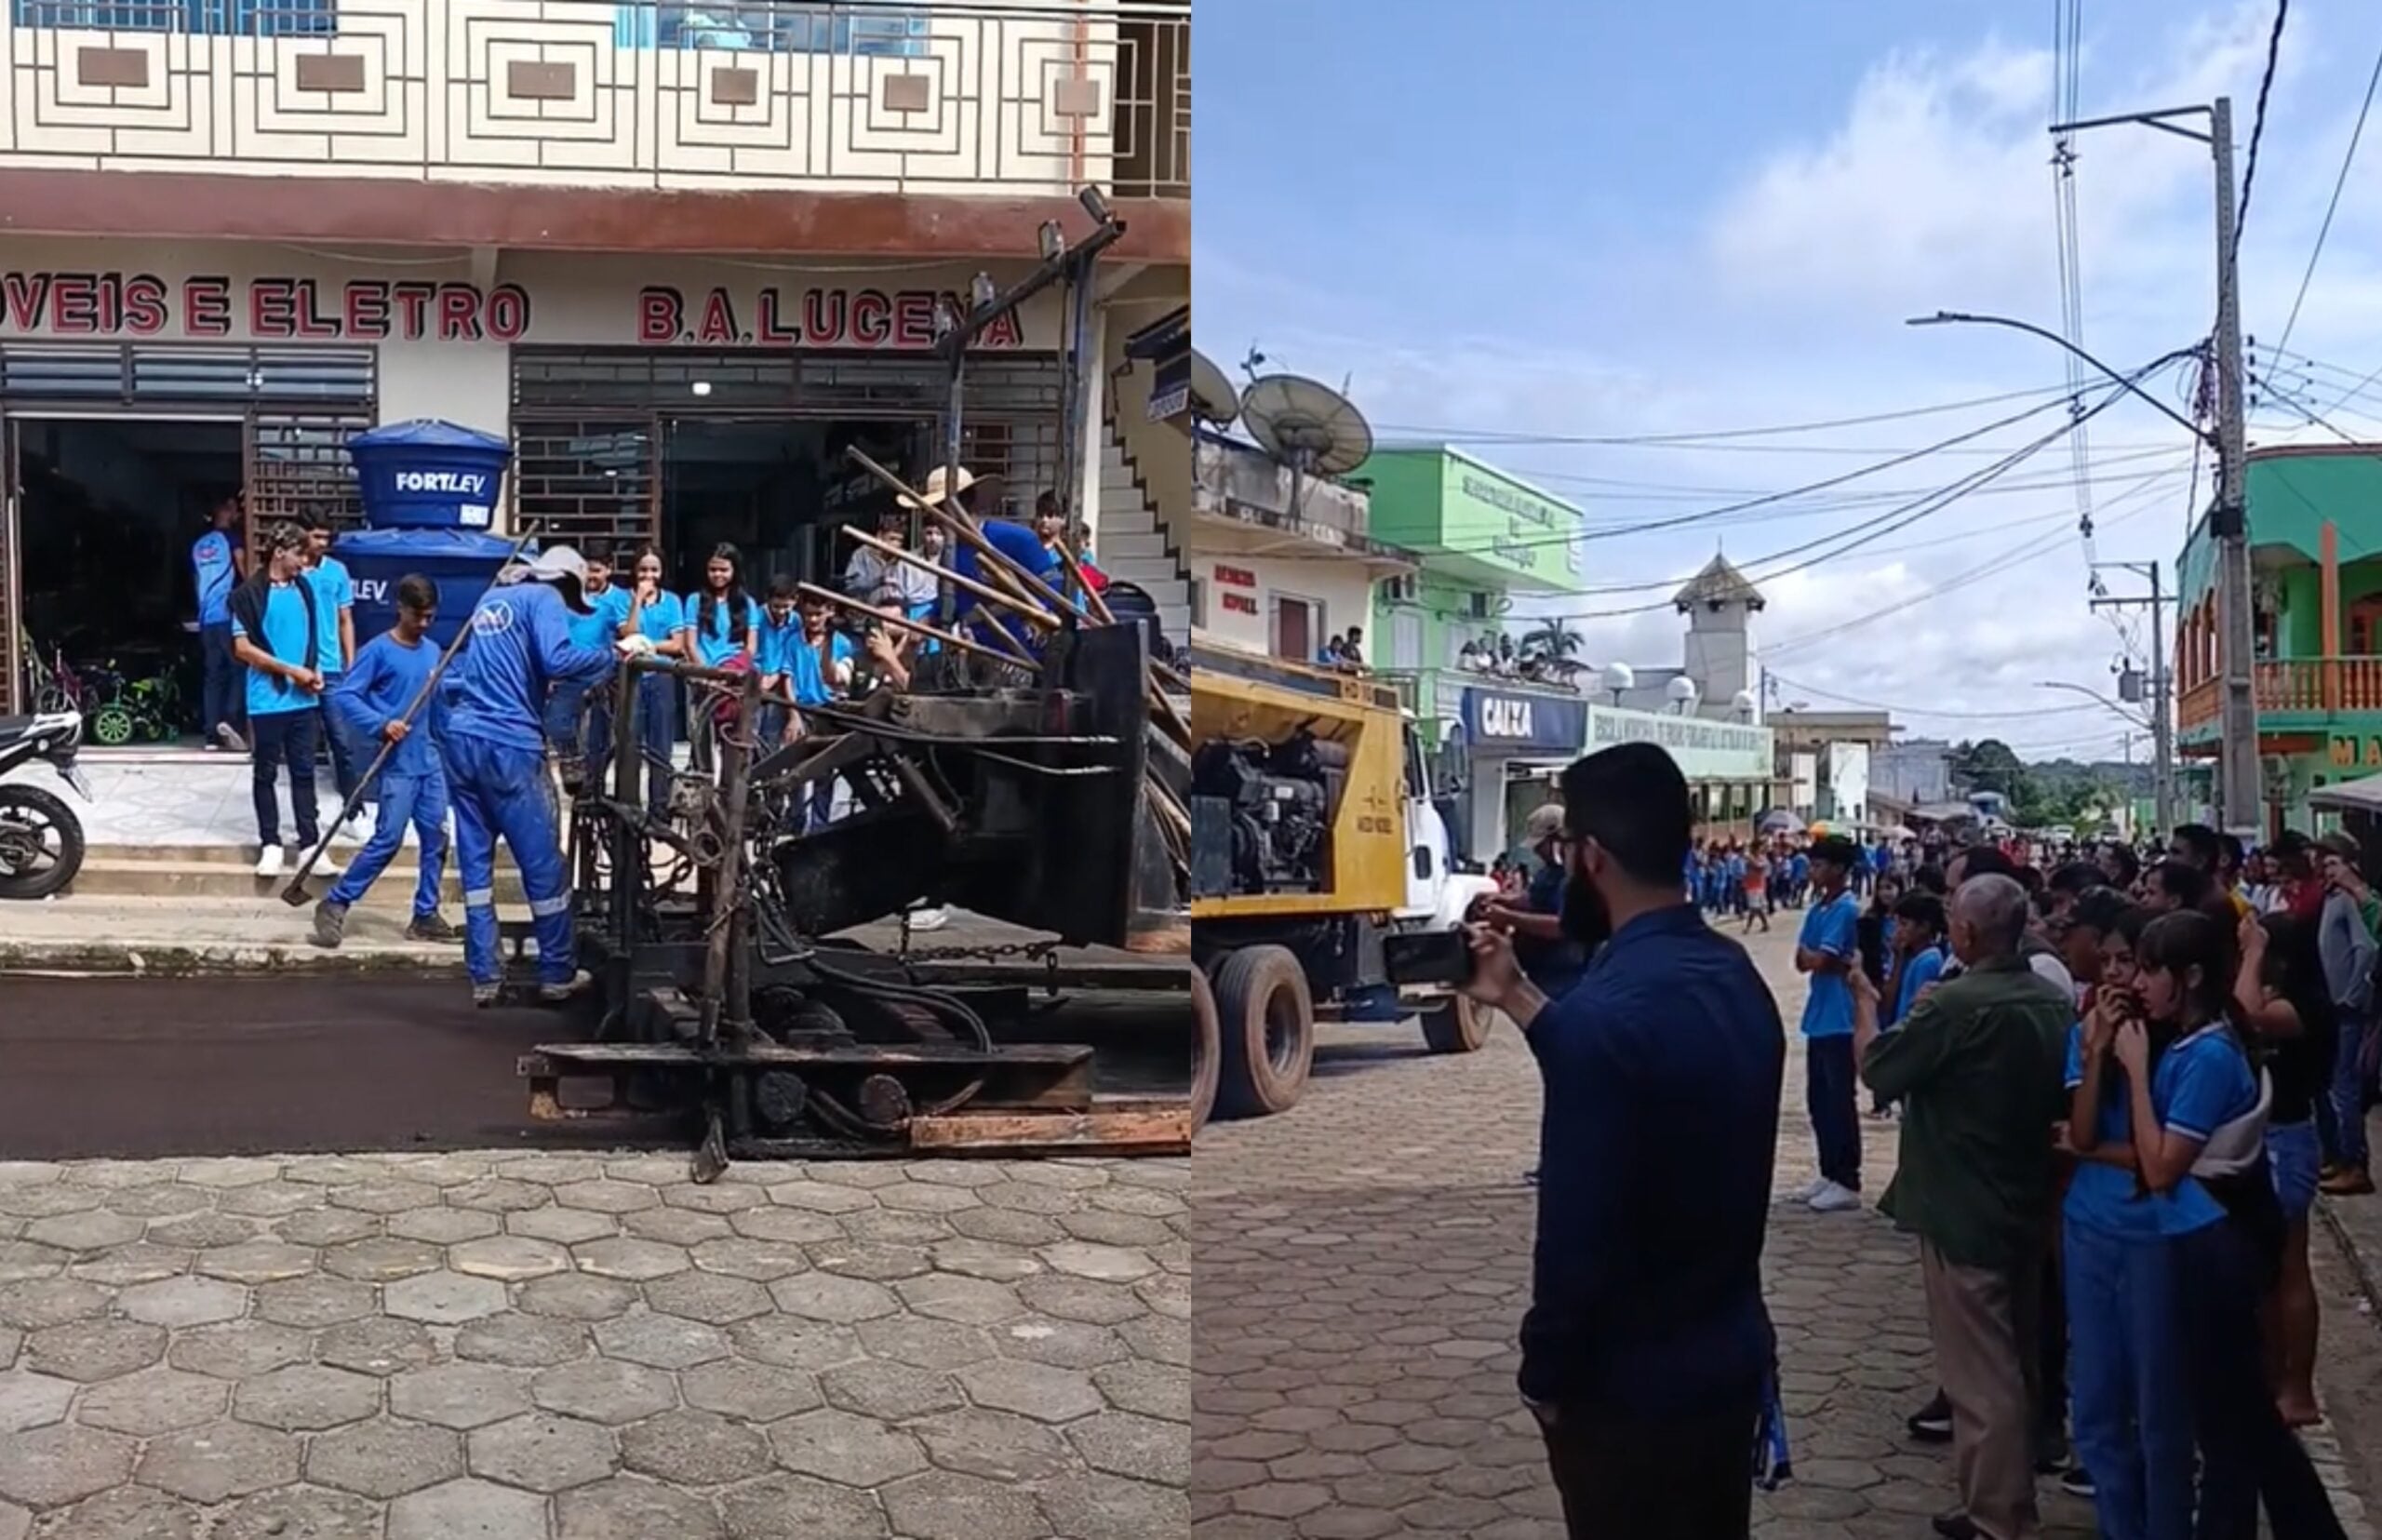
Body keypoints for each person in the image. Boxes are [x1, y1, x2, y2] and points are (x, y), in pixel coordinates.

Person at [1456, 743, 1782, 1540]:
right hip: (1728, 1363)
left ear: (1591, 857)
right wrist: (1518, 995)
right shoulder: (1735, 976)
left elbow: (1574, 1240)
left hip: (1628, 1394)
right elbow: (1625, 1067)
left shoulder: (1609, 1016)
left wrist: (1545, 1374)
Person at [1856, 874, 2069, 1540]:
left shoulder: (1956, 1003)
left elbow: (1880, 1068)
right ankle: (2008, 1492)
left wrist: (1867, 1001)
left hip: (1962, 1202)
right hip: (2027, 1195)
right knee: (2018, 1353)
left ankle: (1997, 1513)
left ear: (1967, 932)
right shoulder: (2048, 998)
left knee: (1980, 1374)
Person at [442, 546, 620, 1005]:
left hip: (462, 740)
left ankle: (484, 975)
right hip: (509, 745)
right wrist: (610, 655)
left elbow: (464, 672)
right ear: (563, 582)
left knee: (477, 869)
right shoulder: (542, 600)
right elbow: (557, 660)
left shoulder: (492, 599)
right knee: (543, 867)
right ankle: (557, 972)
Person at [312, 575, 459, 949]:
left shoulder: (433, 651)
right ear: (401, 608)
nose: (424, 624)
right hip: (397, 764)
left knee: (437, 838)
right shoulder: (377, 651)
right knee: (388, 839)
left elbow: (440, 703)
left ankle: (425, 913)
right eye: (418, 616)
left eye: (430, 617)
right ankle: (336, 902)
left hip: (430, 761)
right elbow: (347, 697)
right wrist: (381, 724)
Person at [2235, 909, 2335, 1431]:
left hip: (2288, 1137)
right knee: (2265, 1272)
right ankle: (2274, 1376)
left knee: (2289, 1264)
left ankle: (2297, 1387)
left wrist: (2253, 952)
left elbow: (2245, 1013)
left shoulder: (2304, 1007)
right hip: (2265, 1136)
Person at [229, 522, 338, 882]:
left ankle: (310, 843)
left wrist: (314, 670)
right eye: (299, 555)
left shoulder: (305, 590)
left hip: (304, 700)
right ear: (280, 552)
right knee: (266, 772)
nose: (304, 563)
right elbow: (243, 649)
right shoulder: (248, 595)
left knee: (305, 771)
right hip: (267, 700)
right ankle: (270, 843)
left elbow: (313, 637)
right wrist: (291, 671)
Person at [1794, 835, 1866, 1212]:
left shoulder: (1846, 909)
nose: (1813, 871)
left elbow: (1822, 959)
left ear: (1838, 869)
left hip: (1841, 1016)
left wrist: (1816, 957)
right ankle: (1828, 1169)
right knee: (1818, 1099)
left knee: (1839, 1100)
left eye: (1820, 864)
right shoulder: (1818, 909)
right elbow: (1802, 958)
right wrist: (1814, 957)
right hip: (1818, 1015)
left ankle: (1847, 1177)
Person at [2315, 831, 2380, 1197]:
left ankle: (2355, 1163)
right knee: (2337, 1085)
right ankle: (2342, 1157)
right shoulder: (2333, 899)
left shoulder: (2350, 901)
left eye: (2332, 863)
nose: (2327, 870)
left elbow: (2366, 949)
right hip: (2336, 1006)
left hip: (2348, 1010)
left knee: (2346, 1087)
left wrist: (2353, 995)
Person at [300, 511, 362, 841]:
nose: (322, 544)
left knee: (343, 742)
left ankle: (354, 811)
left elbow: (345, 620)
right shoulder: (291, 572)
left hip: (333, 670)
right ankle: (307, 818)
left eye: (326, 538)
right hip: (298, 672)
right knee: (303, 749)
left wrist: (350, 665)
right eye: (317, 537)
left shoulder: (337, 572)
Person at [618, 546, 689, 819]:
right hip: (631, 679)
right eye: (643, 569)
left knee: (661, 743)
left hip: (661, 676)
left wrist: (647, 646)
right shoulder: (623, 599)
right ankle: (631, 806)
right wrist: (638, 601)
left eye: (654, 569)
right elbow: (628, 633)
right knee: (631, 741)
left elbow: (676, 643)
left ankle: (659, 805)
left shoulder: (671, 601)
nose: (648, 575)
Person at [685, 542, 758, 773]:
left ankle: (729, 797)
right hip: (703, 680)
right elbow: (690, 643)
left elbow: (751, 647)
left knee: (732, 743)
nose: (718, 575)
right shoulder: (695, 601)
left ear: (734, 570)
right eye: (713, 569)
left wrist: (729, 676)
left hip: (733, 682)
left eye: (723, 570)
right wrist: (707, 675)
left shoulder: (747, 603)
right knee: (701, 744)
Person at [192, 489, 248, 752]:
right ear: (225, 511)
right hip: (227, 615)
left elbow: (197, 581)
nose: (237, 513)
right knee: (239, 669)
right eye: (235, 509)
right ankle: (231, 721)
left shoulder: (200, 545)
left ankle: (210, 735)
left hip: (206, 618)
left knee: (213, 676)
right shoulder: (231, 539)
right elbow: (243, 573)